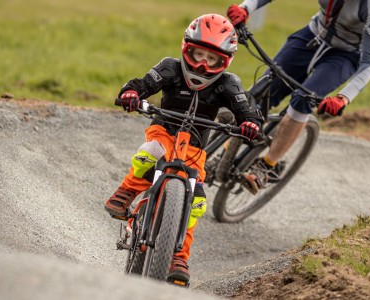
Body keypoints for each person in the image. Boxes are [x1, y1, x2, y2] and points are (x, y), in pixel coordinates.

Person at [104, 13, 263, 284]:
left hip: (195, 148)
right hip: (163, 131)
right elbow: (141, 85)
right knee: (150, 153)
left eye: (212, 59)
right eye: (198, 54)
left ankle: (178, 256)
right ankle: (126, 192)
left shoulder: (229, 83)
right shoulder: (170, 68)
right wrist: (132, 95)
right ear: (186, 48)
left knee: (197, 203)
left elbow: (246, 108)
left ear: (224, 61)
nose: (202, 65)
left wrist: (250, 123)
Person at [227, 0, 370, 194]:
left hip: (344, 55)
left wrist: (343, 97)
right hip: (311, 36)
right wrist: (246, 8)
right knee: (265, 86)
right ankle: (226, 154)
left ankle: (268, 165)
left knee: (303, 99)